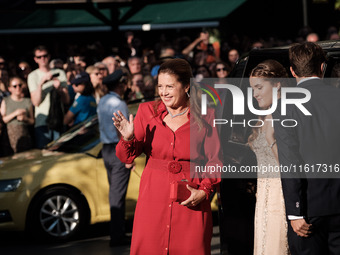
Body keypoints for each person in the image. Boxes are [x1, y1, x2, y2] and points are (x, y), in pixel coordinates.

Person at [113, 58, 222, 254]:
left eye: (170, 86)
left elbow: (216, 160)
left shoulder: (206, 115)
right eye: (160, 86)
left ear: (186, 85)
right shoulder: (147, 111)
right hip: (153, 197)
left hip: (191, 198)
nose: (163, 92)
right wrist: (128, 138)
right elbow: (125, 157)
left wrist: (204, 191)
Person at [273, 42, 340, 255]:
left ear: (292, 71)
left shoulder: (285, 106)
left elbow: (290, 161)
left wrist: (295, 212)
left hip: (307, 208)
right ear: (322, 67)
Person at [248, 60, 290, 255]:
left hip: (281, 197)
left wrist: (270, 140)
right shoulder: (264, 115)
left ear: (277, 84)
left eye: (259, 87)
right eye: (253, 89)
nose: (255, 94)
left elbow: (289, 165)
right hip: (263, 199)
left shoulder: (286, 114)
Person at [97, 69, 131, 247]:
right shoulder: (119, 103)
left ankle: (118, 233)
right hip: (117, 150)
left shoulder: (102, 100)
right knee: (117, 195)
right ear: (120, 85)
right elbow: (122, 131)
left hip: (106, 150)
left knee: (115, 192)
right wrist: (128, 157)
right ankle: (117, 236)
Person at [27, 45, 69, 148]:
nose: (42, 59)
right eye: (39, 57)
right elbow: (36, 102)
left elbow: (66, 100)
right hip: (42, 122)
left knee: (61, 154)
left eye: (45, 56)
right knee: (44, 154)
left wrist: (59, 89)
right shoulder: (33, 76)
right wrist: (41, 84)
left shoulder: (59, 73)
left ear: (49, 56)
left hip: (58, 120)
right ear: (35, 59)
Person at [0, 76, 34, 153]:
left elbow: (32, 121)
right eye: (15, 86)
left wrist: (25, 119)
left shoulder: (27, 101)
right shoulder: (6, 101)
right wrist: (15, 113)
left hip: (24, 133)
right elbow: (3, 120)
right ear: (10, 88)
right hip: (10, 136)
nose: (18, 88)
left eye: (20, 85)